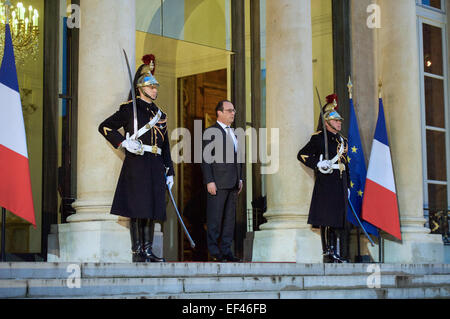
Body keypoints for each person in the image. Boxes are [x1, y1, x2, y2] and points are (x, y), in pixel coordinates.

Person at [98, 55, 174, 263]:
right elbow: (105, 127)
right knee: (138, 207)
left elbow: (165, 145)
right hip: (137, 161)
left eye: (156, 87)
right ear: (141, 88)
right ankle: (138, 252)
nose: (155, 90)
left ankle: (148, 250)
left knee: (152, 208)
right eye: (151, 87)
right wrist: (123, 143)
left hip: (156, 163)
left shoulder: (160, 113)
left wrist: (170, 171)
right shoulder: (129, 109)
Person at [297, 94, 350, 263]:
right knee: (326, 218)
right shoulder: (318, 138)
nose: (339, 123)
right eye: (336, 121)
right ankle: (327, 252)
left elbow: (345, 163)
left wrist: (347, 184)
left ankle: (335, 250)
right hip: (326, 181)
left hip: (339, 181)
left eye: (340, 120)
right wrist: (318, 164)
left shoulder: (342, 140)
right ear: (327, 122)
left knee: (337, 218)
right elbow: (302, 154)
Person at [201, 100, 243, 262]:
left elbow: (238, 158)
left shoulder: (235, 133)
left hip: (233, 182)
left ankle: (226, 251)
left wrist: (240, 178)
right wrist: (209, 181)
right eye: (229, 110)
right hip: (217, 182)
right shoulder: (210, 131)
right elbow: (205, 159)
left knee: (229, 220)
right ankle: (214, 252)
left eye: (233, 110)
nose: (233, 113)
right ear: (219, 112)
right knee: (215, 219)